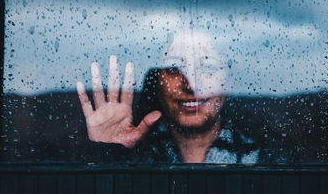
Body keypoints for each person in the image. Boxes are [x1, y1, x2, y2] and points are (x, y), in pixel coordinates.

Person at [76, 31, 274, 164]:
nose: (191, 84)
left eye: (208, 66)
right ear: (157, 81)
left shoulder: (267, 161)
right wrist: (108, 152)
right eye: (174, 68)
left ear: (229, 80)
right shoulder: (136, 160)